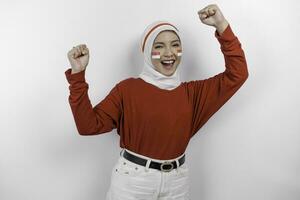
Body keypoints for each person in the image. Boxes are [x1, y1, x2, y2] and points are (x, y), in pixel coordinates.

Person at [64, 4, 248, 200]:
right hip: (133, 182)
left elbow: (238, 74)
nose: (169, 53)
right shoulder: (127, 90)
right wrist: (78, 76)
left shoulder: (193, 94)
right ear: (146, 51)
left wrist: (221, 25)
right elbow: (87, 126)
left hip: (178, 183)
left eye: (175, 44)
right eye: (159, 46)